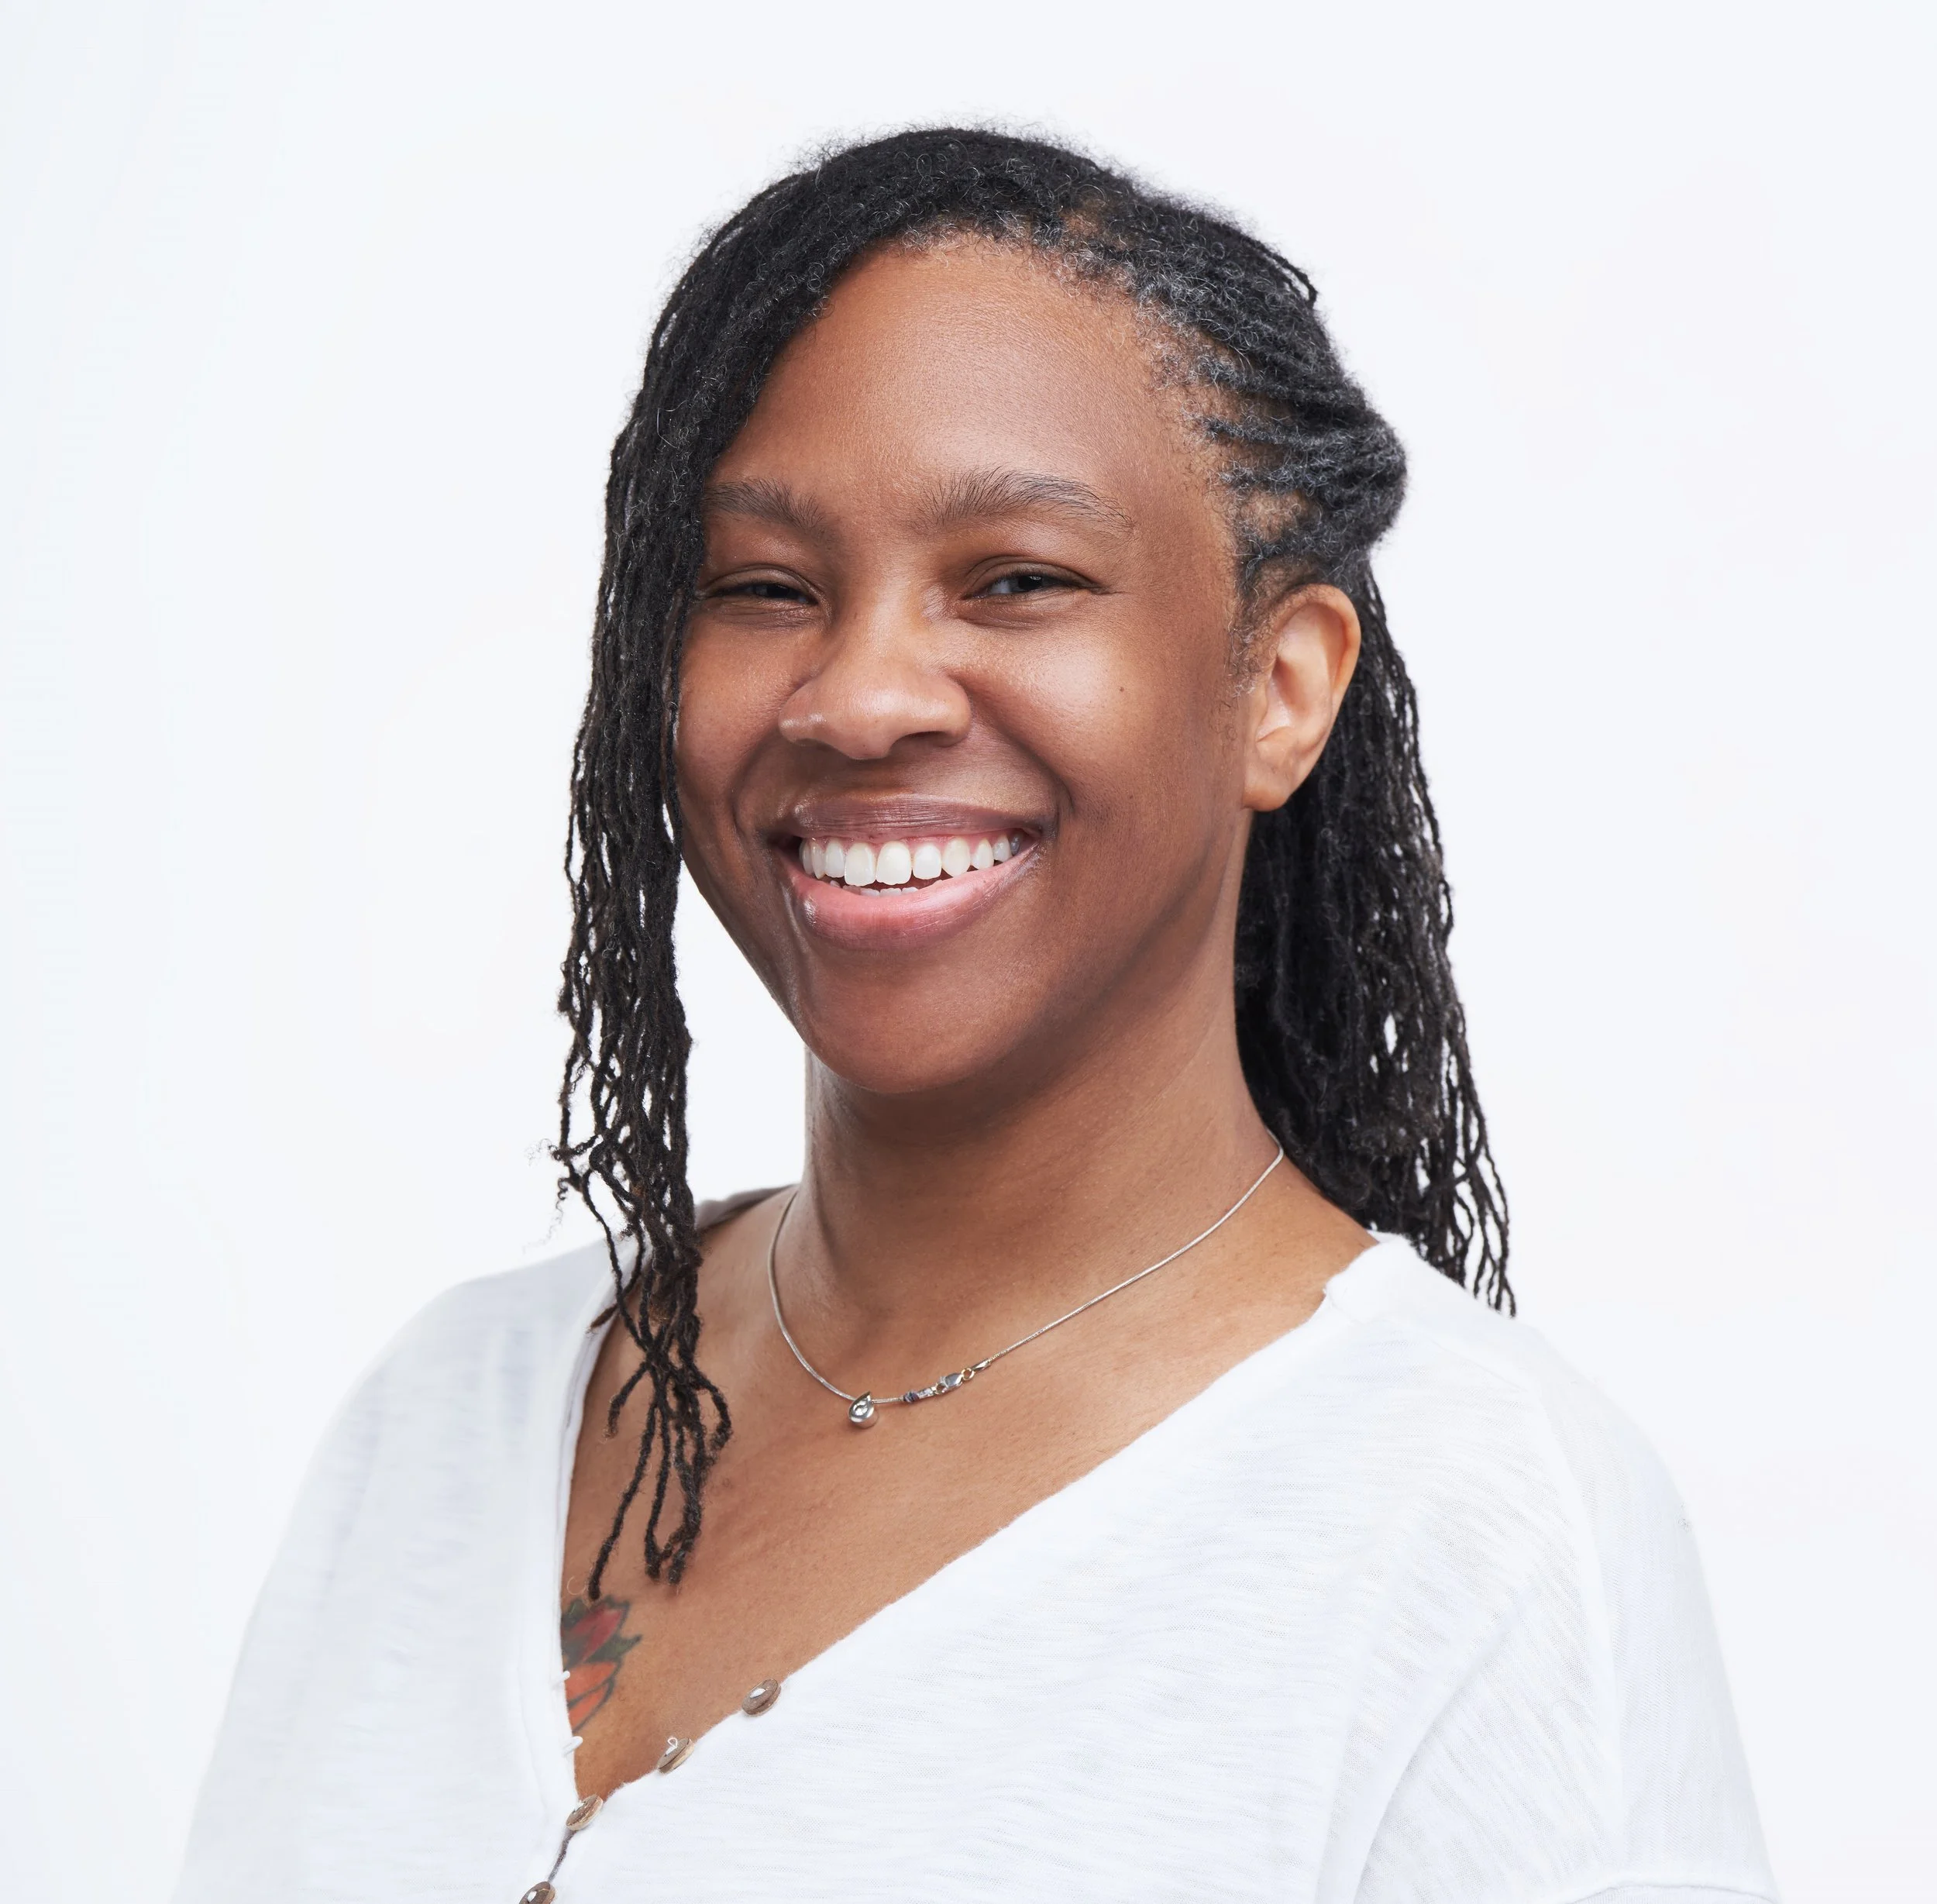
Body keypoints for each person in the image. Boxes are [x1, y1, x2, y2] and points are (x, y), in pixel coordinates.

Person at [175, 129, 1775, 1903]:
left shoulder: (1473, 1539)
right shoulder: (450, 1417)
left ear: (1282, 683)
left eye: (1015, 578)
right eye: (763, 587)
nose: (858, 694)